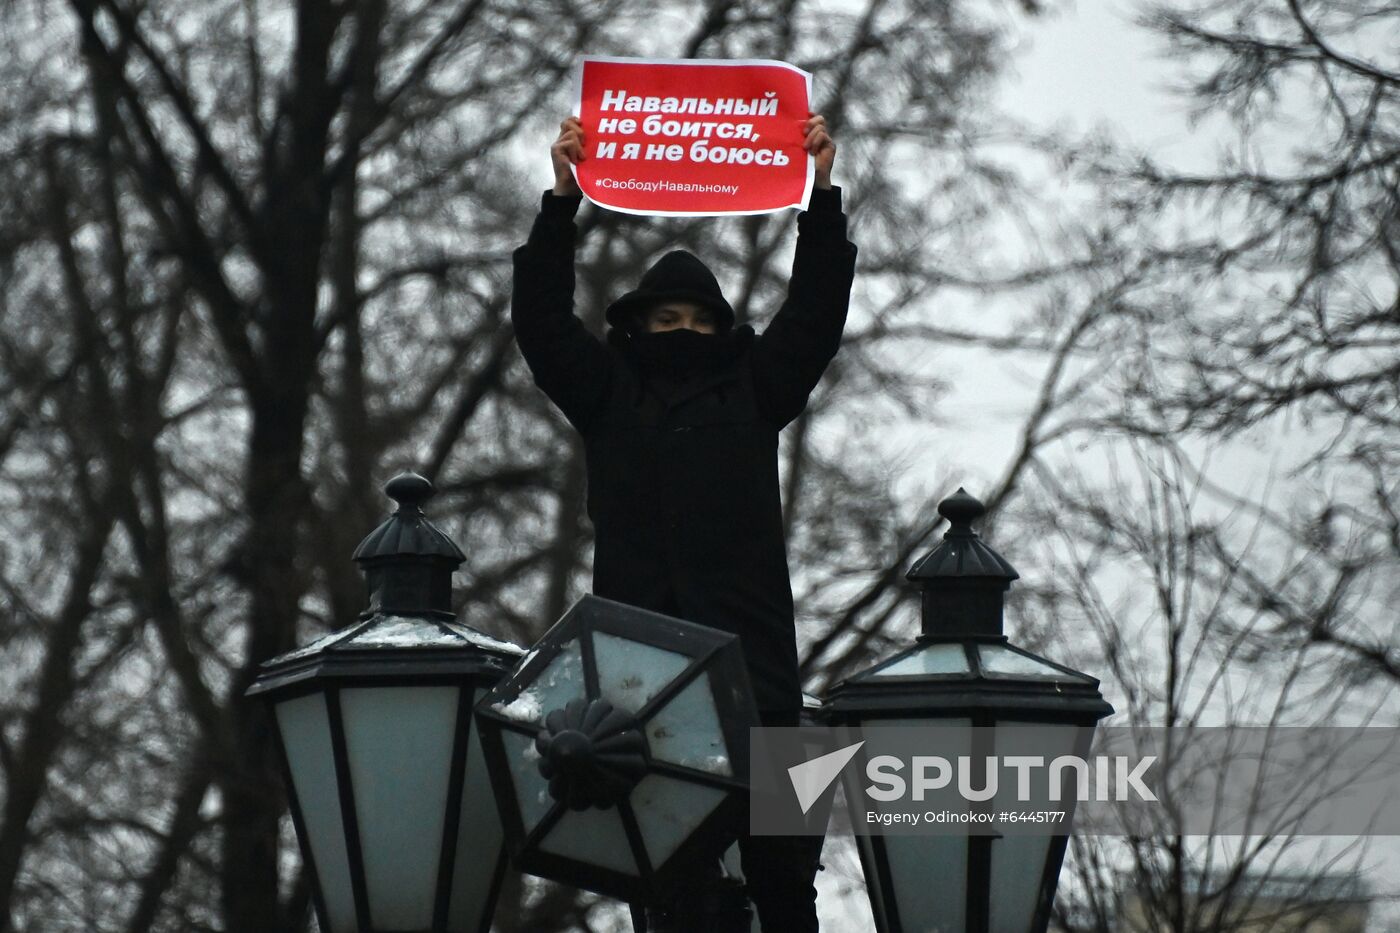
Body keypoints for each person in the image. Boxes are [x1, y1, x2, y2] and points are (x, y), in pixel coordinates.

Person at [511, 112, 856, 933]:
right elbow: (544, 326)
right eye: (666, 323)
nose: (684, 336)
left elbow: (812, 316)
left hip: (765, 676)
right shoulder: (608, 395)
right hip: (644, 684)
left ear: (722, 331)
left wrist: (822, 195)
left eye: (699, 324)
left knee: (786, 886)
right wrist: (561, 202)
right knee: (669, 884)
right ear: (636, 327)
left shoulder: (754, 389)